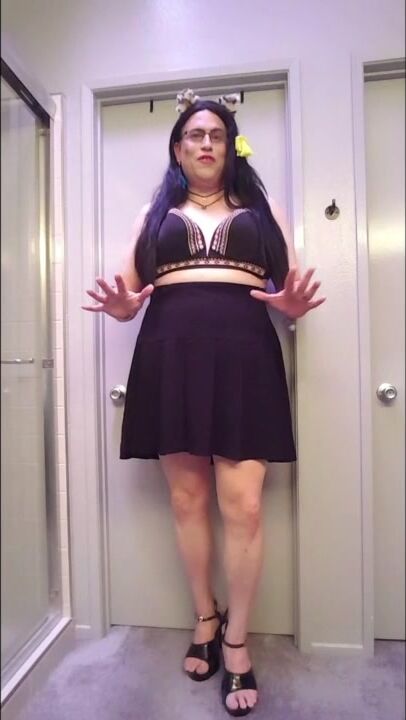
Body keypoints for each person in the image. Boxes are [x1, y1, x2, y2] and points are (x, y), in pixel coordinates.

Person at [83, 90, 325, 717]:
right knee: (188, 500)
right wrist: (120, 305)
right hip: (169, 354)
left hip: (245, 355)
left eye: (217, 133)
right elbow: (127, 291)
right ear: (178, 148)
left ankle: (237, 641)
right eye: (195, 134)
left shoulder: (263, 209)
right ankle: (205, 618)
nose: (206, 143)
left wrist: (291, 306)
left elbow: (288, 286)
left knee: (244, 506)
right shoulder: (155, 212)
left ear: (231, 145)